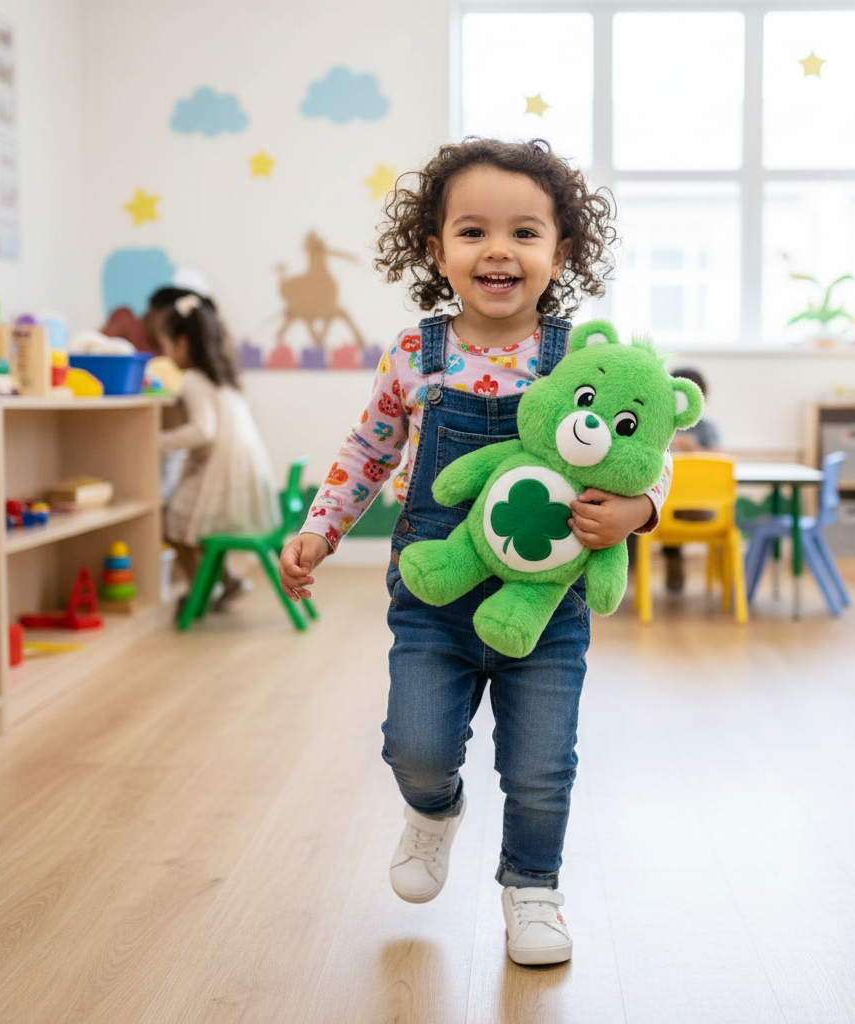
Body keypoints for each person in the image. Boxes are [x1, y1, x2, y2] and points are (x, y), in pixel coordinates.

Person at [278, 138, 672, 966]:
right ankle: (433, 809)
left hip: (546, 606)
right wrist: (321, 528)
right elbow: (368, 450)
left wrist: (638, 507)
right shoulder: (412, 356)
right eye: (473, 231)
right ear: (436, 250)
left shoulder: (584, 360)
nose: (499, 250)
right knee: (415, 744)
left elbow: (651, 450)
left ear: (562, 251)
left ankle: (534, 892)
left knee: (540, 763)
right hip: (433, 594)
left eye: (525, 233)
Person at [155, 290, 279, 613]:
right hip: (241, 472)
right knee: (202, 527)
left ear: (182, 344)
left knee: (170, 520)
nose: (165, 355)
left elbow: (202, 430)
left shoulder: (193, 380)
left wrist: (157, 442)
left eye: (165, 346)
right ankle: (228, 580)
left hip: (222, 471)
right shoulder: (225, 378)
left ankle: (201, 589)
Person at [662, 366, 722, 593]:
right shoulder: (661, 425)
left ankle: (675, 561)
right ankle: (671, 560)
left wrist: (694, 449)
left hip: (700, 505)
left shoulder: (708, 427)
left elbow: (720, 462)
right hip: (663, 506)